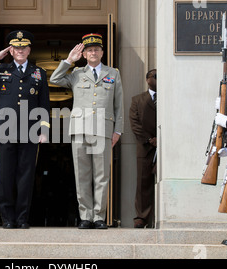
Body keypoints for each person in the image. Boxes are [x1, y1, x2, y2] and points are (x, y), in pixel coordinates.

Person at [0, 30, 50, 229]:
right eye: (16, 47)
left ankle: (22, 218)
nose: (20, 51)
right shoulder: (0, 70)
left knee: (25, 177)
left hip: (30, 130)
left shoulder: (39, 73)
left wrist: (44, 130)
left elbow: (44, 103)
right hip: (4, 130)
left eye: (23, 47)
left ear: (29, 49)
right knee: (4, 176)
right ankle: (7, 218)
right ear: (11, 49)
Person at [50, 34, 124, 229]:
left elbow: (119, 105)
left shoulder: (113, 73)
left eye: (96, 49)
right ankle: (85, 216)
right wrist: (68, 61)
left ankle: (99, 217)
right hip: (80, 129)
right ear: (83, 54)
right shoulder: (77, 73)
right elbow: (55, 79)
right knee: (82, 174)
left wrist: (118, 131)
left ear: (102, 52)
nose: (93, 52)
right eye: (89, 50)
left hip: (103, 130)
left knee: (101, 176)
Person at [129, 69, 156, 228]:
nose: (158, 80)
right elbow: (135, 123)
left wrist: (161, 139)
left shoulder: (167, 97)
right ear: (147, 80)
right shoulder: (137, 100)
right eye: (155, 76)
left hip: (164, 145)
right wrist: (150, 140)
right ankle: (142, 217)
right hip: (145, 146)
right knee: (143, 183)